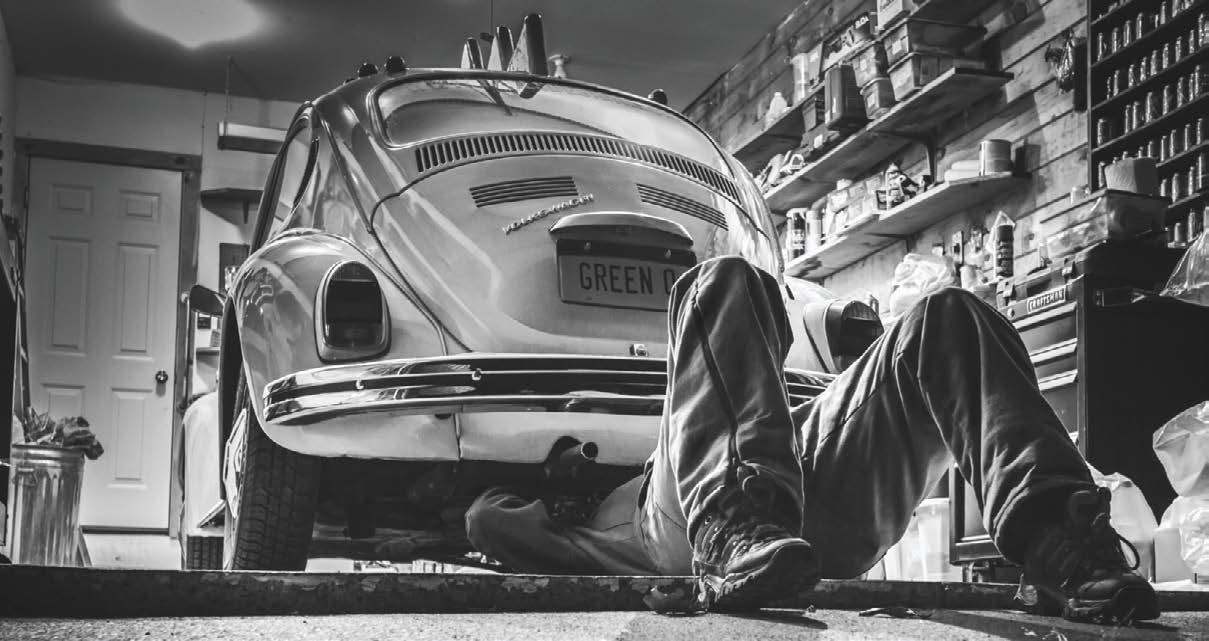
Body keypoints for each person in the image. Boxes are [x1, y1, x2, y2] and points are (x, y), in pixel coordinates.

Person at [464, 256, 1159, 623]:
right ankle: (735, 529)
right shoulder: (580, 519)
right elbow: (485, 517)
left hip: (801, 496)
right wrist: (558, 483)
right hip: (696, 531)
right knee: (721, 281)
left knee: (948, 316)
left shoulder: (705, 420)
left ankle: (1061, 545)